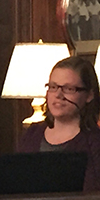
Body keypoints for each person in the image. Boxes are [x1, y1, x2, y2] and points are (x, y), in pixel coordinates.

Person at [18, 56, 100, 192]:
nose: (58, 95)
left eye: (69, 89)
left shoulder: (95, 142)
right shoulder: (32, 133)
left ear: (89, 95)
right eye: (53, 87)